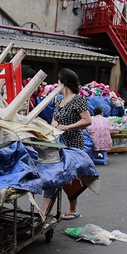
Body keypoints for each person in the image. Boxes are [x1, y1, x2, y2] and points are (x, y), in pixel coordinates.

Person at [47, 68, 92, 220]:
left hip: (73, 142)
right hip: (58, 142)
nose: (57, 84)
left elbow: (87, 120)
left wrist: (67, 127)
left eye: (58, 81)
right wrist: (53, 126)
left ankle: (73, 209)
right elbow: (55, 118)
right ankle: (46, 213)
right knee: (55, 175)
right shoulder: (58, 100)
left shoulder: (78, 99)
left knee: (70, 177)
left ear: (64, 83)